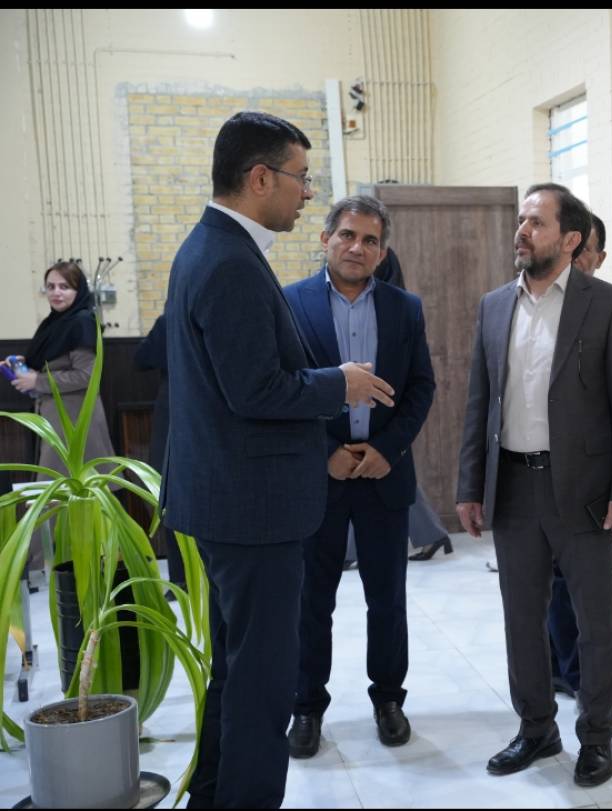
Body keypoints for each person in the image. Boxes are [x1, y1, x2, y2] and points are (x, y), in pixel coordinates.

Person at [163, 111, 394, 809]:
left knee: (237, 673)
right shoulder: (230, 262)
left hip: (232, 503)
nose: (306, 192)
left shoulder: (212, 247)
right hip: (253, 511)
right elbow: (255, 390)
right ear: (260, 178)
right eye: (300, 177)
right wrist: (339, 383)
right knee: (263, 687)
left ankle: (213, 796)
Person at [456, 184, 612, 788]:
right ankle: (536, 727)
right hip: (513, 488)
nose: (522, 231)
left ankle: (596, 735)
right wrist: (470, 485)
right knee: (522, 618)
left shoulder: (609, 305)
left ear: (570, 240)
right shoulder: (494, 306)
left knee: (596, 621)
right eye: (521, 220)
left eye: (536, 222)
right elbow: (480, 403)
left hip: (584, 490)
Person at [282, 195, 435, 758]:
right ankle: (306, 707)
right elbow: (285, 388)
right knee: (311, 601)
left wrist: (387, 450)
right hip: (317, 479)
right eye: (347, 235)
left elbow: (421, 387)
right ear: (326, 239)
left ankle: (389, 699)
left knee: (386, 599)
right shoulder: (289, 303)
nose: (357, 247)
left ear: (382, 252)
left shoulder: (404, 308)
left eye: (370, 240)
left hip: (382, 476)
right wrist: (325, 451)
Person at [546, 211, 608, 699]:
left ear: (597, 258)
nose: (573, 256)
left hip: (585, 476)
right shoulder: (529, 305)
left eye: (583, 249)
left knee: (579, 585)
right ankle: (552, 666)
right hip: (531, 472)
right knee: (542, 581)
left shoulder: (609, 309)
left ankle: (580, 673)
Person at [371, 246, 454, 563]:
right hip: (386, 401)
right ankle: (431, 534)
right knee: (385, 472)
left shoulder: (396, 309)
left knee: (387, 468)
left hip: (387, 404)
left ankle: (431, 533)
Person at [5, 262, 116, 477]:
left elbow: (86, 375)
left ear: (78, 290)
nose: (56, 292)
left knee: (72, 484)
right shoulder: (55, 322)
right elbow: (56, 359)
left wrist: (37, 381)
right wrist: (27, 362)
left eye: (64, 287)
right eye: (51, 286)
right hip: (57, 415)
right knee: (59, 484)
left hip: (75, 417)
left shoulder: (81, 322)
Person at [133, 313, 186, 597]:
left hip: (175, 413)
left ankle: (181, 579)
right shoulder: (172, 320)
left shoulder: (171, 319)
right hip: (191, 413)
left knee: (172, 496)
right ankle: (187, 577)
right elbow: (141, 360)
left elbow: (142, 358)